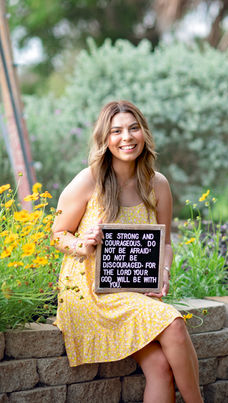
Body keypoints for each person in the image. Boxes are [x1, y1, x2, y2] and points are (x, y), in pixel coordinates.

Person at [52, 100, 203, 403]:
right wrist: (84, 244)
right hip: (89, 292)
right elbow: (56, 235)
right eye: (116, 131)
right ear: (105, 139)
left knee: (160, 366)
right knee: (173, 325)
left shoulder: (157, 184)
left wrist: (163, 272)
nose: (127, 137)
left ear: (143, 133)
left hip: (133, 290)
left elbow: (166, 243)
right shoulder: (89, 179)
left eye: (134, 128)